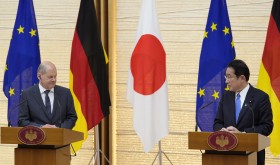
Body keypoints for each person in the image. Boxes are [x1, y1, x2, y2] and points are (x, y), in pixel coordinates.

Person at [213, 59, 273, 165]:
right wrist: (222, 131)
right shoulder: (226, 96)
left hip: (252, 157)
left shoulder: (261, 97)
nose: (226, 81)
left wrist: (243, 134)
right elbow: (217, 122)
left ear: (242, 78)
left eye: (229, 76)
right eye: (225, 77)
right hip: (226, 156)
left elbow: (267, 126)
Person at [18, 61, 77, 129]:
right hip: (36, 137)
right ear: (39, 76)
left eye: (55, 76)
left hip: (60, 137)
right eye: (50, 77)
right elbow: (22, 121)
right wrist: (40, 127)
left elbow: (72, 117)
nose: (54, 80)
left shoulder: (65, 93)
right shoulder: (27, 94)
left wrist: (59, 129)